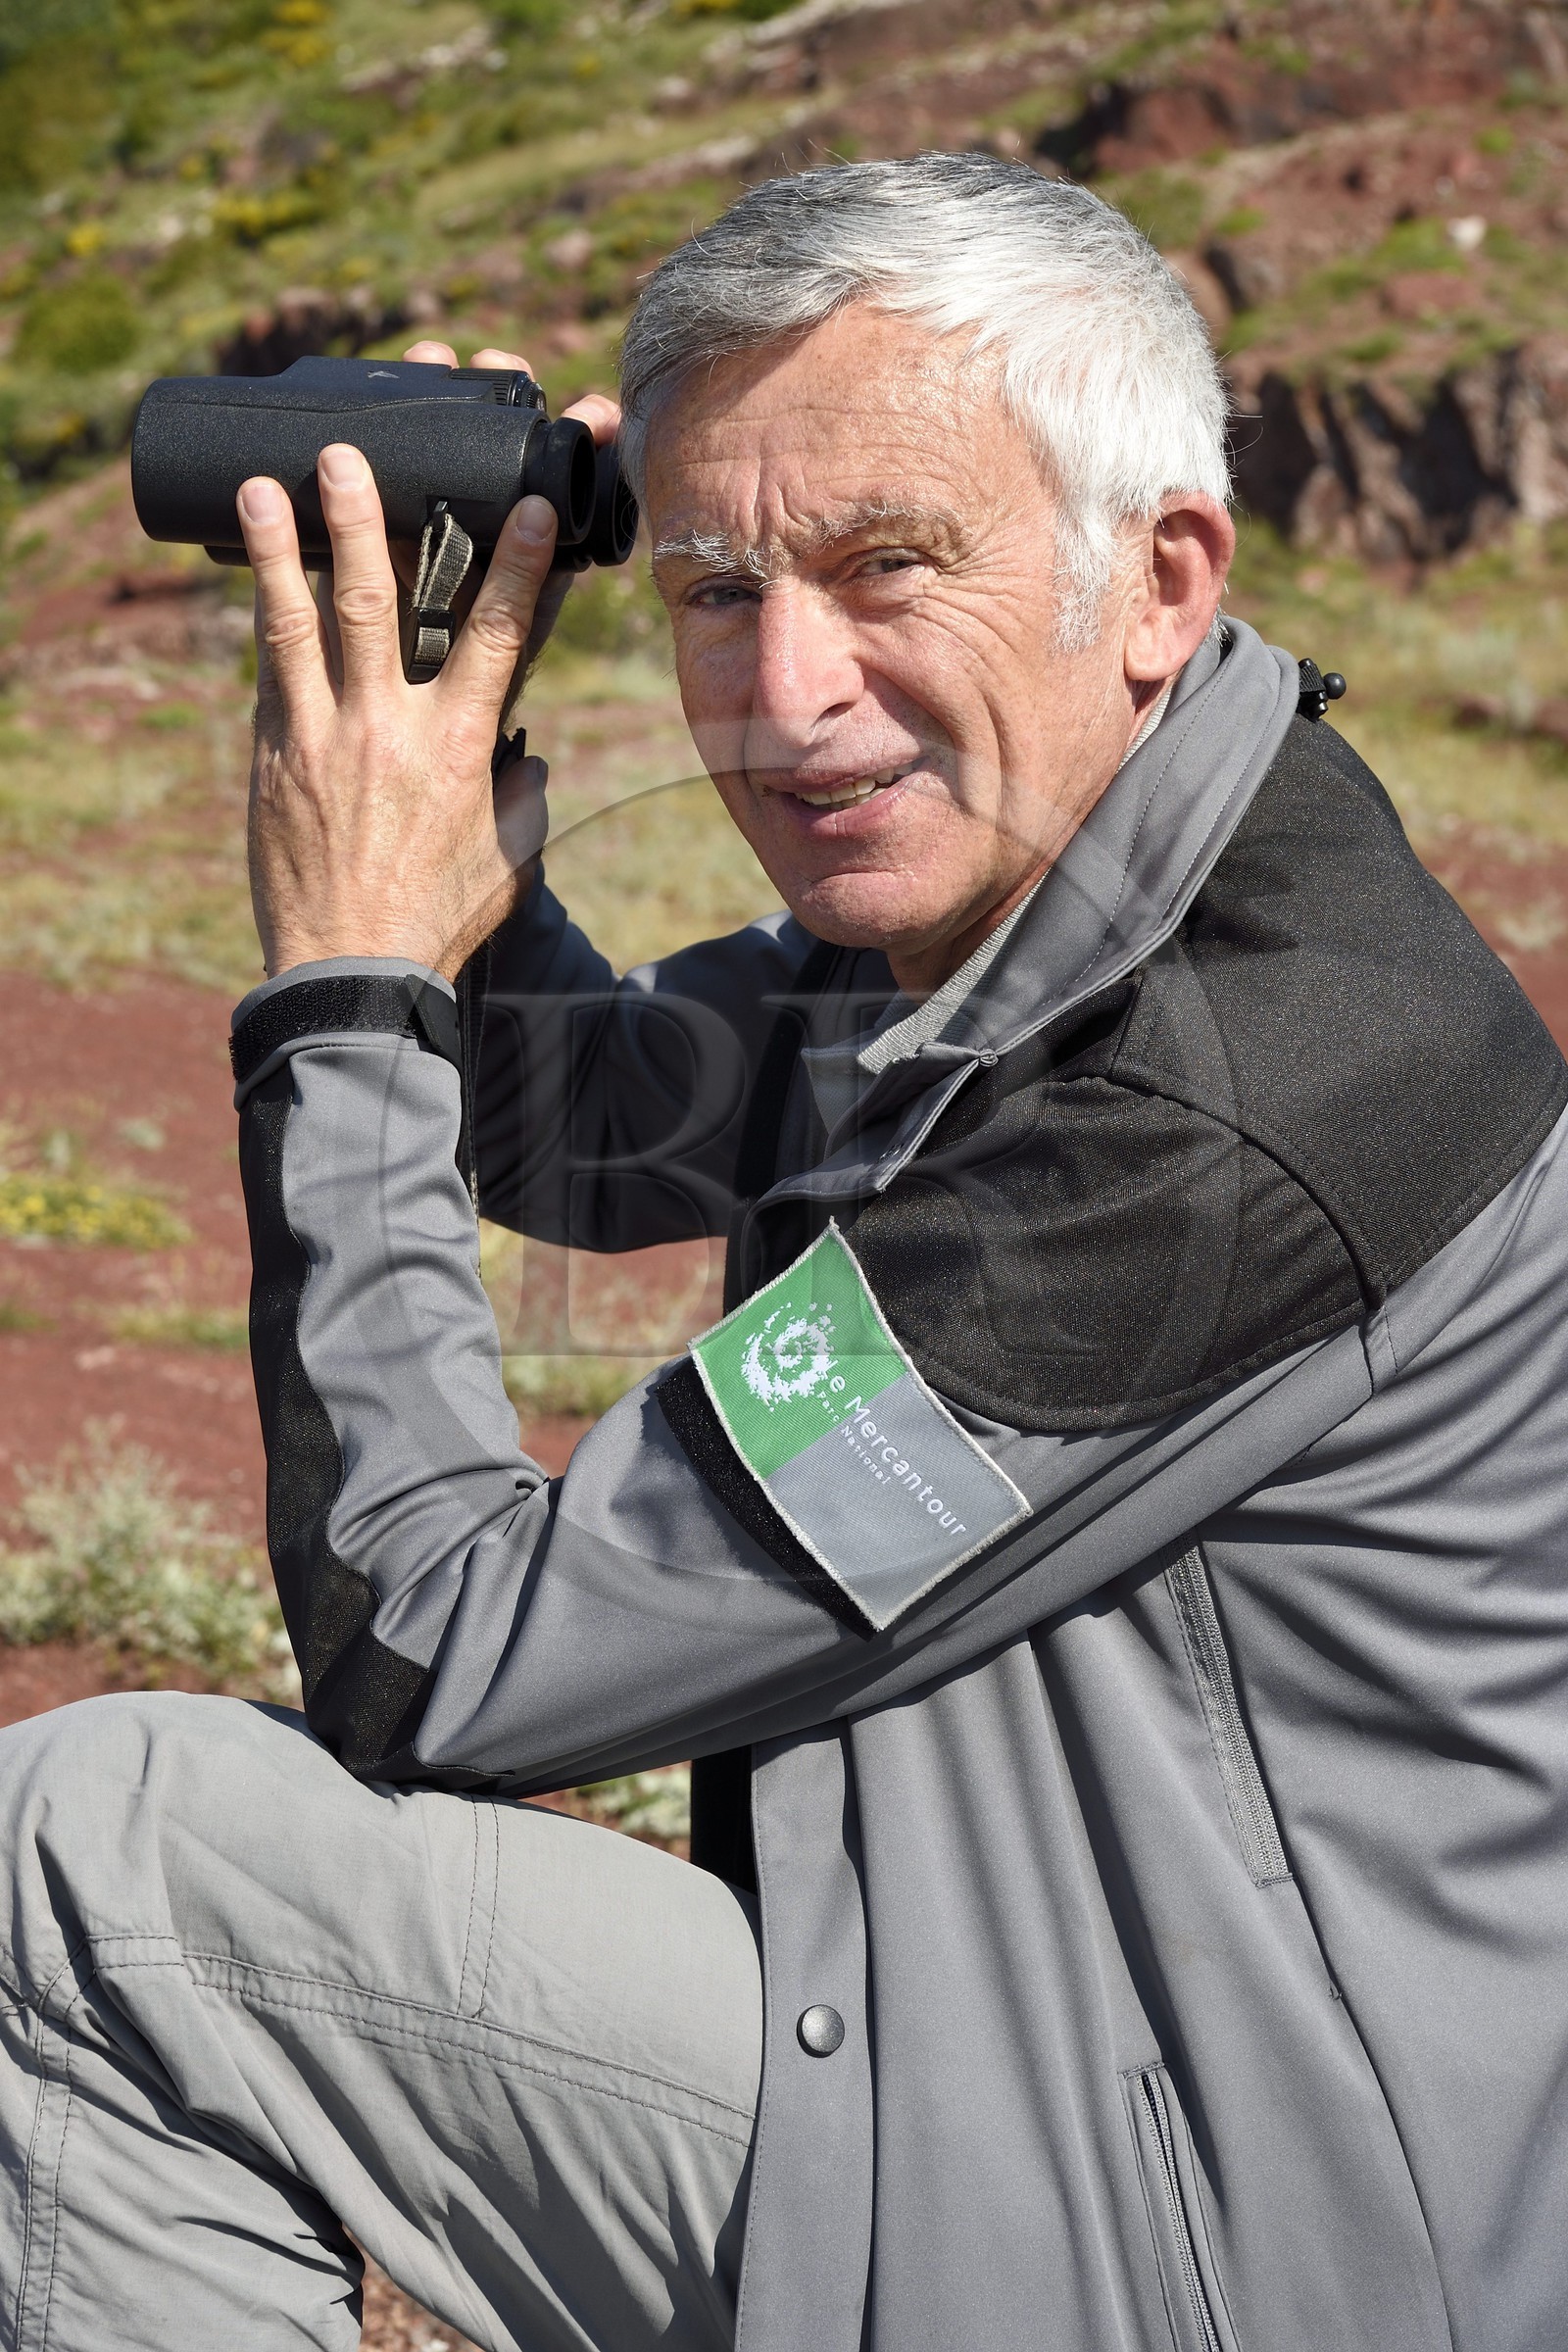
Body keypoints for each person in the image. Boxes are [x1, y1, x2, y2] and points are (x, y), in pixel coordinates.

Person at [1, 152, 1565, 2352]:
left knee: (86, 1860)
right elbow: (597, 1115)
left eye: (881, 565)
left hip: (1222, 2244)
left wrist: (349, 978)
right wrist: (460, 733)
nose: (785, 690)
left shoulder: (1228, 1095)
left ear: (1155, 575)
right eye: (715, 586)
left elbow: (442, 1656)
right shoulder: (1066, 885)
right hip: (1058, 2062)